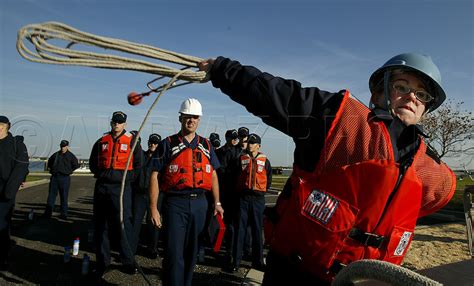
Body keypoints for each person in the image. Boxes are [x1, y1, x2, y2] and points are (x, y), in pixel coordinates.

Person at [198, 53, 456, 284]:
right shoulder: (336, 118)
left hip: (366, 279)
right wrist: (223, 70)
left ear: (425, 108)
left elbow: (426, 203)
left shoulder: (432, 170)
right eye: (402, 86)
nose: (412, 97)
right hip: (298, 272)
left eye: (422, 95)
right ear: (378, 93)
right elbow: (273, 94)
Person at [149, 98, 224, 286]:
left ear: (199, 120)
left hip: (201, 203)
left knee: (192, 253)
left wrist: (217, 203)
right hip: (175, 203)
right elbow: (154, 175)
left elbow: (213, 175)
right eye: (187, 117)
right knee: (174, 253)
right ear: (180, 118)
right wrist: (153, 208)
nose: (191, 120)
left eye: (194, 117)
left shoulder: (207, 146)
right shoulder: (167, 144)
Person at [89, 111, 142, 277]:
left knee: (123, 225)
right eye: (114, 122)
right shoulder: (101, 141)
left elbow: (139, 166)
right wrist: (102, 175)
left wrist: (126, 179)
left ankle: (128, 261)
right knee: (101, 225)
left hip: (121, 189)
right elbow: (92, 163)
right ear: (111, 122)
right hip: (102, 187)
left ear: (125, 124)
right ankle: (102, 262)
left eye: (120, 122)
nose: (116, 125)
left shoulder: (133, 142)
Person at [232, 133, 272, 272]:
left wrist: (260, 192)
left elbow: (269, 179)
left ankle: (258, 262)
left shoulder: (265, 161)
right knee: (240, 231)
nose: (249, 144)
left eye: (253, 142)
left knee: (257, 231)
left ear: (258, 145)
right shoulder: (241, 159)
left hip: (257, 200)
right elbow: (235, 176)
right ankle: (235, 262)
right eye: (249, 142)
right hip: (243, 199)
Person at [0, 116, 29, 271]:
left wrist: (11, 189)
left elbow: (22, 165)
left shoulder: (16, 144)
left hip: (5, 191)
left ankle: (3, 257)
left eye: (2, 125)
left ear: (8, 126)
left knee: (2, 226)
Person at [130, 133, 163, 258]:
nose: (152, 144)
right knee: (135, 222)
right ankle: (132, 248)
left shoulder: (161, 159)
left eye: (155, 142)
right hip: (140, 194)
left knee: (154, 223)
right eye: (151, 142)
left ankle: (152, 249)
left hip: (154, 195)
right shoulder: (141, 156)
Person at [215, 129, 240, 262]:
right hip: (221, 192)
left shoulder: (239, 153)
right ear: (227, 138)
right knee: (218, 223)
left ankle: (228, 251)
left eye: (236, 138)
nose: (235, 140)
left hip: (233, 194)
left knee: (230, 224)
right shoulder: (219, 152)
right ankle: (217, 247)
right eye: (232, 137)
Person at [43, 140, 80, 220]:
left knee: (64, 197)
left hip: (65, 178)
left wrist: (69, 170)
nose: (62, 148)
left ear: (67, 146)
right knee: (51, 196)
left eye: (64, 146)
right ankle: (48, 213)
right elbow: (49, 162)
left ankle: (64, 214)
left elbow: (76, 165)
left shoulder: (71, 156)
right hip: (55, 177)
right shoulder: (56, 155)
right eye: (61, 146)